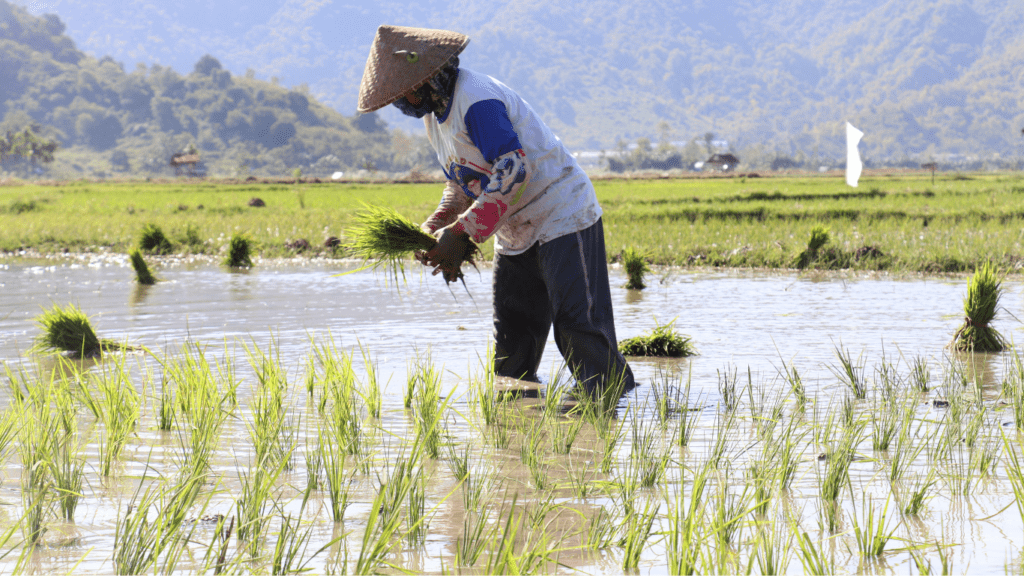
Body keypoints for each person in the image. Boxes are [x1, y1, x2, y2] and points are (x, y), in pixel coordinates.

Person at [357, 25, 634, 399]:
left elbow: (513, 168)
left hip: (559, 213)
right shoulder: (434, 118)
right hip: (514, 227)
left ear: (428, 78)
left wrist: (461, 233)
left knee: (577, 326)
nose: (400, 100)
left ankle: (615, 406)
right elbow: (461, 182)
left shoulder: (476, 101)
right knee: (513, 339)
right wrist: (438, 223)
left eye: (404, 90)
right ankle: (516, 427)